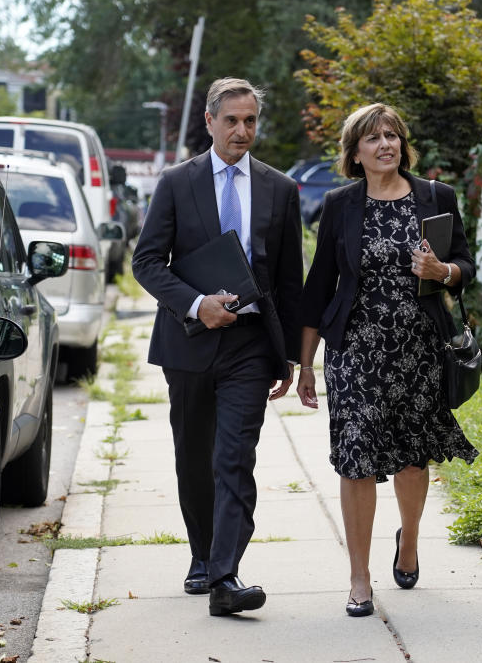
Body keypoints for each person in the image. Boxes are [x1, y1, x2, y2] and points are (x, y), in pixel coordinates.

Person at [296, 103, 479, 617]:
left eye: (393, 135)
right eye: (373, 138)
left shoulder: (434, 197)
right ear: (355, 152)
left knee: (410, 456)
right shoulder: (340, 204)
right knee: (356, 459)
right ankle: (359, 579)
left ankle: (411, 540)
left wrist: (442, 270)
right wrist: (305, 364)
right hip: (355, 351)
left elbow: (466, 265)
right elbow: (318, 287)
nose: (386, 144)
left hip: (420, 348)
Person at [131, 77, 304, 617]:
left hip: (251, 344)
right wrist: (196, 303)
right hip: (188, 342)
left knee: (234, 458)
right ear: (209, 122)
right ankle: (202, 555)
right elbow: (147, 261)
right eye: (231, 120)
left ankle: (226, 575)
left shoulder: (280, 188)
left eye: (250, 120)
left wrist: (295, 357)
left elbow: (289, 279)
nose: (242, 130)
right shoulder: (177, 183)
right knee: (194, 458)